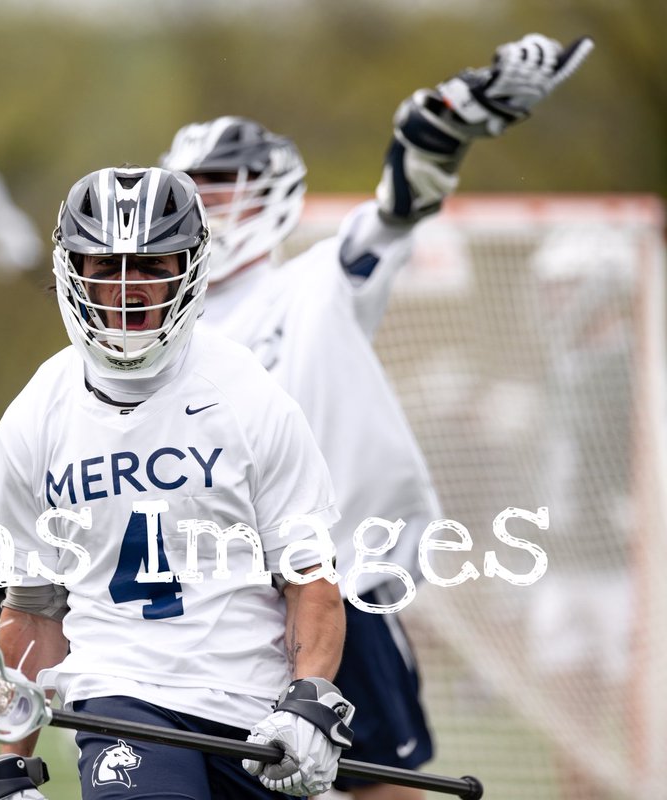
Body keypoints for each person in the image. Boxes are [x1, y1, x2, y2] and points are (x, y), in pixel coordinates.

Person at [155, 33, 591, 800]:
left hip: (335, 584)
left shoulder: (318, 282)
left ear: (271, 188)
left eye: (225, 182)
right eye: (195, 185)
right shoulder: (165, 330)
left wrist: (441, 127)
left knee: (378, 786)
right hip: (213, 603)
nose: (209, 199)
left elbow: (394, 210)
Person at [0, 166, 351, 800]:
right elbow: (32, 610)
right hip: (120, 698)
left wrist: (310, 697)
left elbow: (310, 580)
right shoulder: (34, 417)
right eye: (104, 266)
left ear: (192, 269)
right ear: (71, 272)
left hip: (252, 707)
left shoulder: (249, 397)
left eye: (151, 265)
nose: (125, 289)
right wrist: (11, 760)